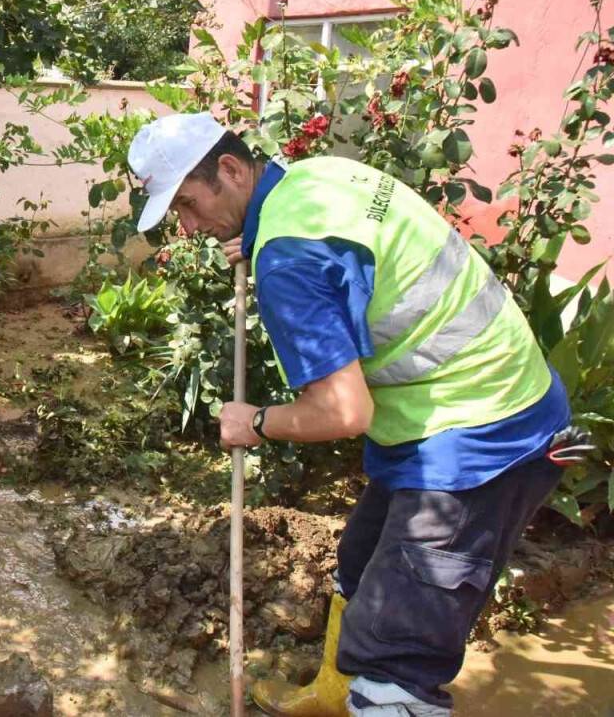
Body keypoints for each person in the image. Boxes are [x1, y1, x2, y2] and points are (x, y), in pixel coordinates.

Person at [127, 113, 573, 717]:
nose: (188, 226)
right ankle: (332, 698)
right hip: (480, 401)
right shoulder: (317, 179)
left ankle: (381, 698)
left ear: (229, 170)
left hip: (479, 439)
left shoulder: (287, 259)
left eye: (188, 204)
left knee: (393, 661)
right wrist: (258, 239)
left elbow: (342, 411)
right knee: (359, 565)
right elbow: (344, 259)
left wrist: (252, 423)